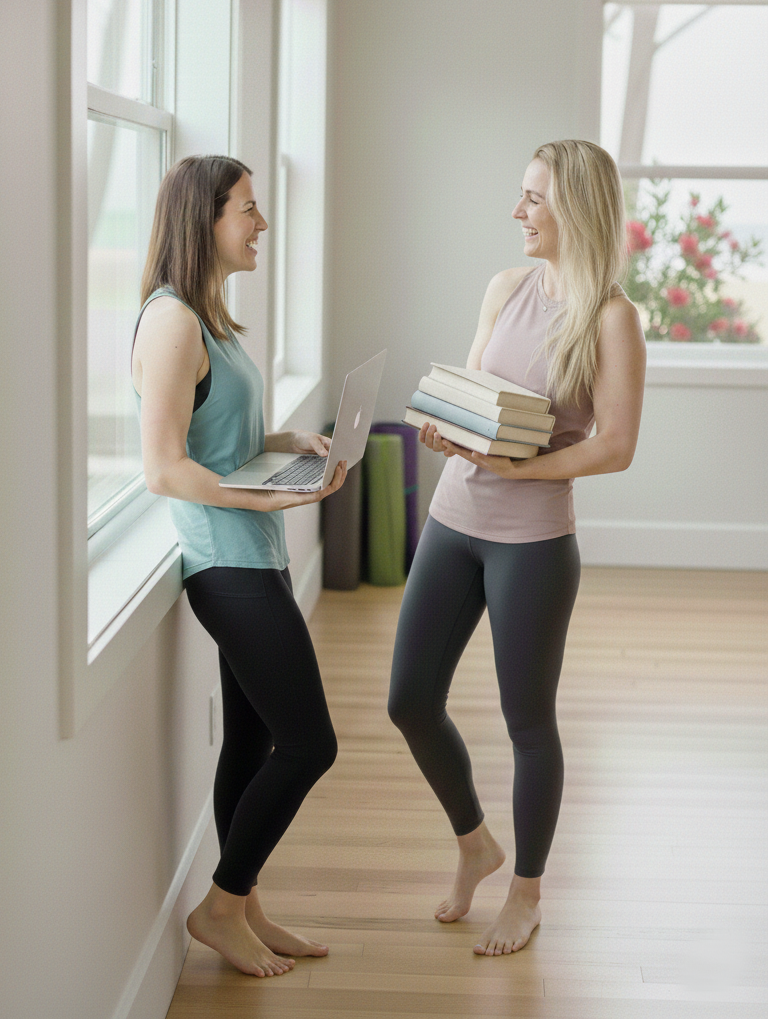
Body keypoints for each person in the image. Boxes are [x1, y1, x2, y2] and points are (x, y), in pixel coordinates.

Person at [388, 140, 646, 957]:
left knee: (527, 721)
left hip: (532, 543)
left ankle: (526, 893)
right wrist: (450, 427)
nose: (518, 212)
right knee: (408, 700)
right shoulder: (505, 287)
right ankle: (474, 842)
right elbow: (475, 397)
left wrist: (522, 467)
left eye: (533, 198)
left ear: (573, 207)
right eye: (521, 195)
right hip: (454, 518)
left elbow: (616, 445)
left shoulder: (612, 318)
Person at [132, 155, 347, 978]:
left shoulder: (210, 315)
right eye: (249, 209)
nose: (261, 224)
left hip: (253, 553)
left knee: (253, 741)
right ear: (206, 218)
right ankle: (219, 905)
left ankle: (246, 907)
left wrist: (290, 446)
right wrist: (266, 501)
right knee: (311, 742)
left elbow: (218, 436)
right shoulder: (173, 321)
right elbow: (163, 467)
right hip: (224, 563)